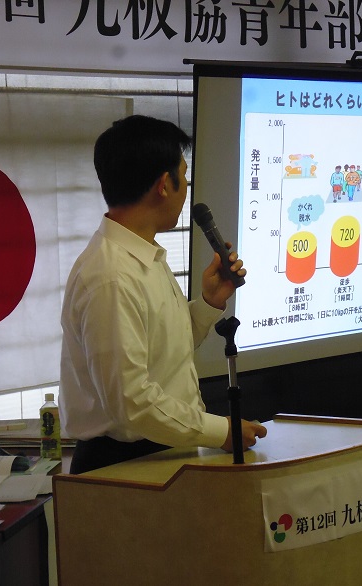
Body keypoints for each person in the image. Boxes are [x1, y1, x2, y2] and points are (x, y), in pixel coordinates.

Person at [59, 115, 267, 474]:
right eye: (183, 176)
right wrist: (222, 432)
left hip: (156, 453)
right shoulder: (111, 276)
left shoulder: (142, 255)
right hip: (121, 465)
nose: (187, 188)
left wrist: (209, 302)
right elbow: (133, 403)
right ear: (164, 185)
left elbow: (164, 354)